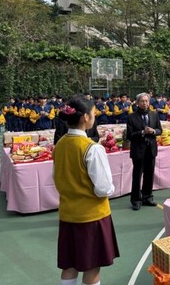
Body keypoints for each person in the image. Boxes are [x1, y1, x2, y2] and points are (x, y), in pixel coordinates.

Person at [52, 95, 119, 285]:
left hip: (68, 213)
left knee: (69, 265)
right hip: (92, 216)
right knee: (91, 267)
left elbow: (56, 178)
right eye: (93, 114)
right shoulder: (92, 148)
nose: (94, 117)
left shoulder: (60, 145)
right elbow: (103, 188)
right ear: (85, 118)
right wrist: (111, 188)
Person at [126, 92, 163, 210]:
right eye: (142, 101)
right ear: (137, 103)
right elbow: (130, 135)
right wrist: (142, 132)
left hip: (151, 149)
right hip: (138, 150)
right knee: (137, 175)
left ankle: (147, 197)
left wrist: (153, 131)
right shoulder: (131, 117)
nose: (145, 103)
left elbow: (159, 130)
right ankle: (136, 199)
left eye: (147, 101)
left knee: (149, 174)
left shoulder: (154, 114)